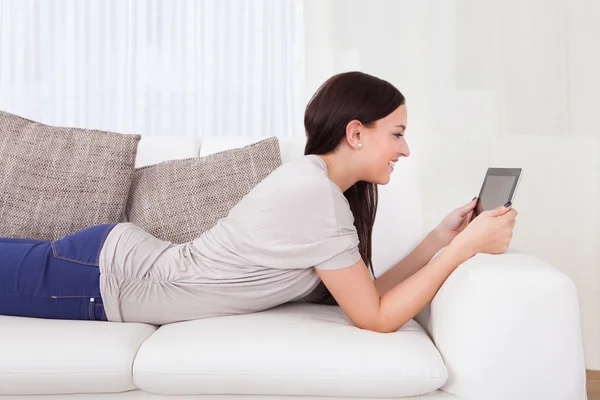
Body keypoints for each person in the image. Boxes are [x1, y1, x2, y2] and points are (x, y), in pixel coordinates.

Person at [0, 71, 517, 330]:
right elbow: (376, 318)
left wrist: (438, 239)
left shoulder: (321, 191)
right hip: (101, 277)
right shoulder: (315, 194)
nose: (405, 149)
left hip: (110, 263)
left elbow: (368, 296)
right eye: (397, 134)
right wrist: (464, 248)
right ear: (356, 133)